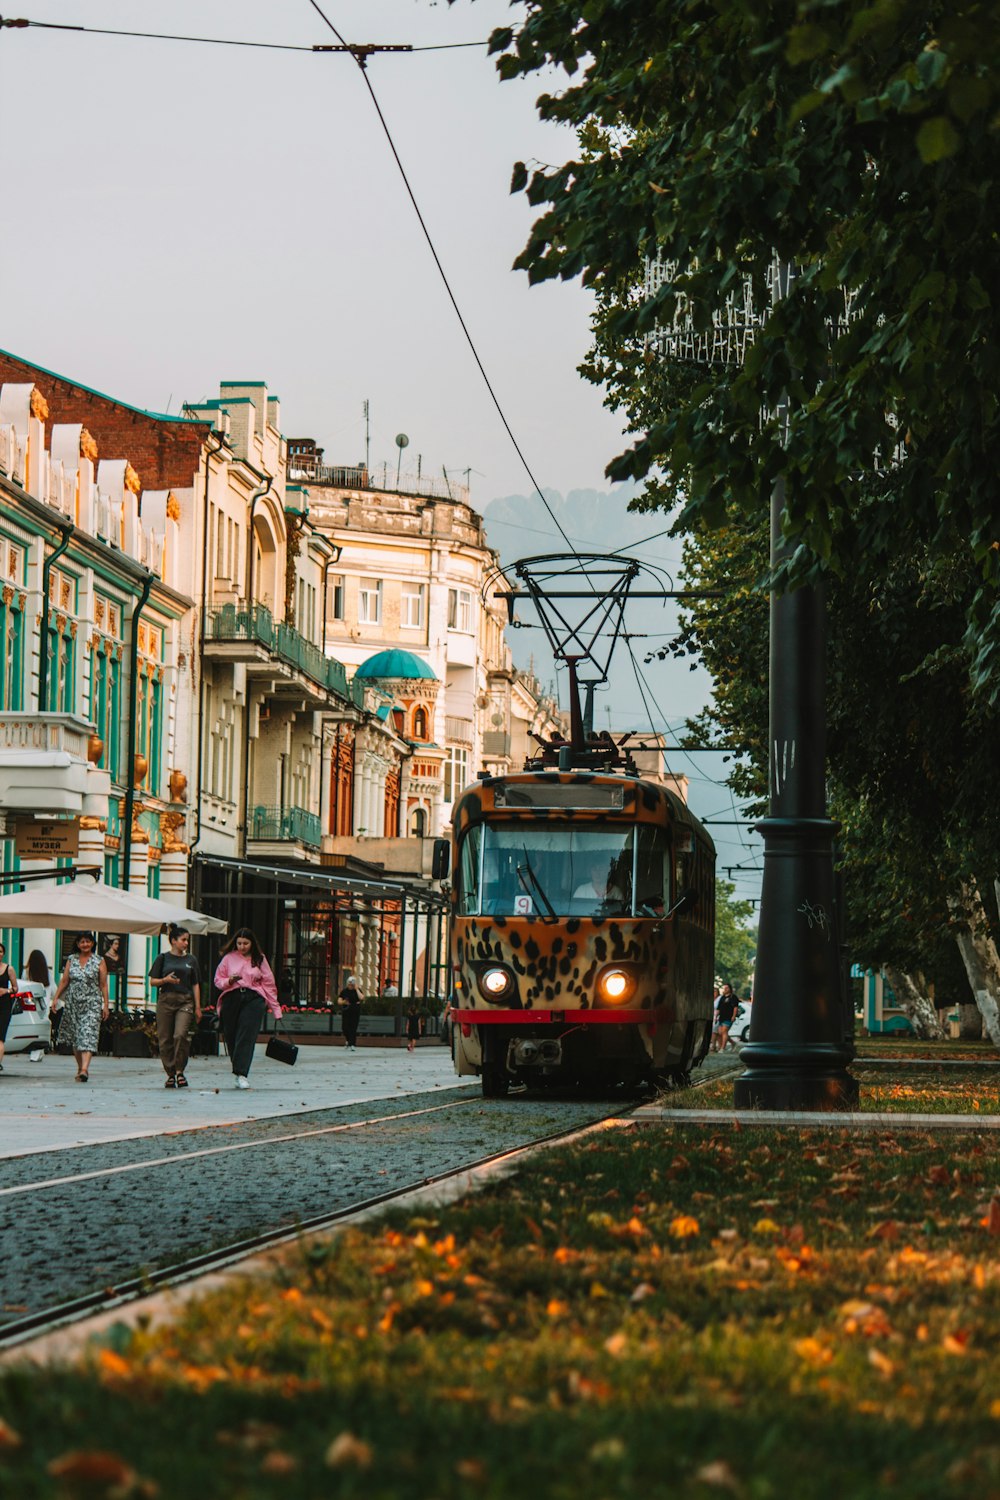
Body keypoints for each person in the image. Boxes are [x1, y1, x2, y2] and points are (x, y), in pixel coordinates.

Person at [213, 928, 280, 1089]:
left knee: (246, 1034)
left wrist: (275, 1008)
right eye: (239, 943)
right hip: (232, 998)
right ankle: (237, 1069)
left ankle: (242, 1073)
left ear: (252, 943)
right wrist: (229, 980)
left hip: (253, 998)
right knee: (231, 1036)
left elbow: (269, 984)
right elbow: (218, 980)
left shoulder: (259, 959)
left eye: (245, 943)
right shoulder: (229, 958)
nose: (242, 946)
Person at [51, 932, 110, 1082]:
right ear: (77, 944)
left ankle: (85, 1069)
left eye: (88, 941)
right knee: (76, 1037)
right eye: (82, 942)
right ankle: (80, 1067)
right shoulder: (72, 959)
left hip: (92, 1002)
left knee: (88, 1034)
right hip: (73, 1003)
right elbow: (64, 981)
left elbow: (103, 984)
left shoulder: (99, 960)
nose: (85, 944)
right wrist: (56, 998)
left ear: (92, 943)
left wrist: (106, 1005)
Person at [149, 925, 203, 1089]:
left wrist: (198, 1007)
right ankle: (170, 1074)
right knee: (165, 1039)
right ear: (173, 940)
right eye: (183, 939)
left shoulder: (191, 960)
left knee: (180, 1035)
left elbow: (195, 984)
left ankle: (180, 1070)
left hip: (185, 1001)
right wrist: (165, 980)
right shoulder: (162, 958)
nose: (186, 943)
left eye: (188, 940)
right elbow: (152, 982)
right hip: (165, 1000)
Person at [0, 940, 18, 1073]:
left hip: (3, 1006)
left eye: (0, 952)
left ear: (3, 954)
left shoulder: (9, 969)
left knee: (0, 1037)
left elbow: (15, 988)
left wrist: (6, 991)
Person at [338, 975, 363, 1051]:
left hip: (355, 1010)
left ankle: (352, 1044)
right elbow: (339, 1001)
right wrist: (343, 1002)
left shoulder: (357, 990)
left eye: (352, 984)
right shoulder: (344, 991)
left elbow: (361, 997)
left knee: (353, 1027)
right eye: (349, 984)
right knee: (345, 1027)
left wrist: (356, 989)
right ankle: (348, 1040)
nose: (350, 985)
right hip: (346, 1010)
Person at [714, 983, 739, 1052]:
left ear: (730, 989)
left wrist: (733, 1016)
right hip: (721, 1017)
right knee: (720, 1033)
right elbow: (718, 1008)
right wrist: (716, 1017)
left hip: (729, 1017)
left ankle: (722, 1048)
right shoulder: (722, 997)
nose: (725, 989)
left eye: (726, 988)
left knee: (724, 1031)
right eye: (724, 988)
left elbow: (735, 1008)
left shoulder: (733, 997)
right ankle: (733, 1043)